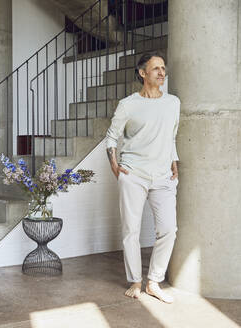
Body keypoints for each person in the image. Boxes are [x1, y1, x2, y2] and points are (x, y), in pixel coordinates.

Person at [105, 51, 180, 303]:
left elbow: (170, 136)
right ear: (142, 73)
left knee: (169, 229)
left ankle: (154, 281)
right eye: (156, 68)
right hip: (133, 173)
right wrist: (115, 165)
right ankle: (136, 280)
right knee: (131, 231)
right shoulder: (128, 104)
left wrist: (174, 161)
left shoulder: (173, 103)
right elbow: (112, 137)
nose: (162, 72)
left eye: (163, 68)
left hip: (163, 176)